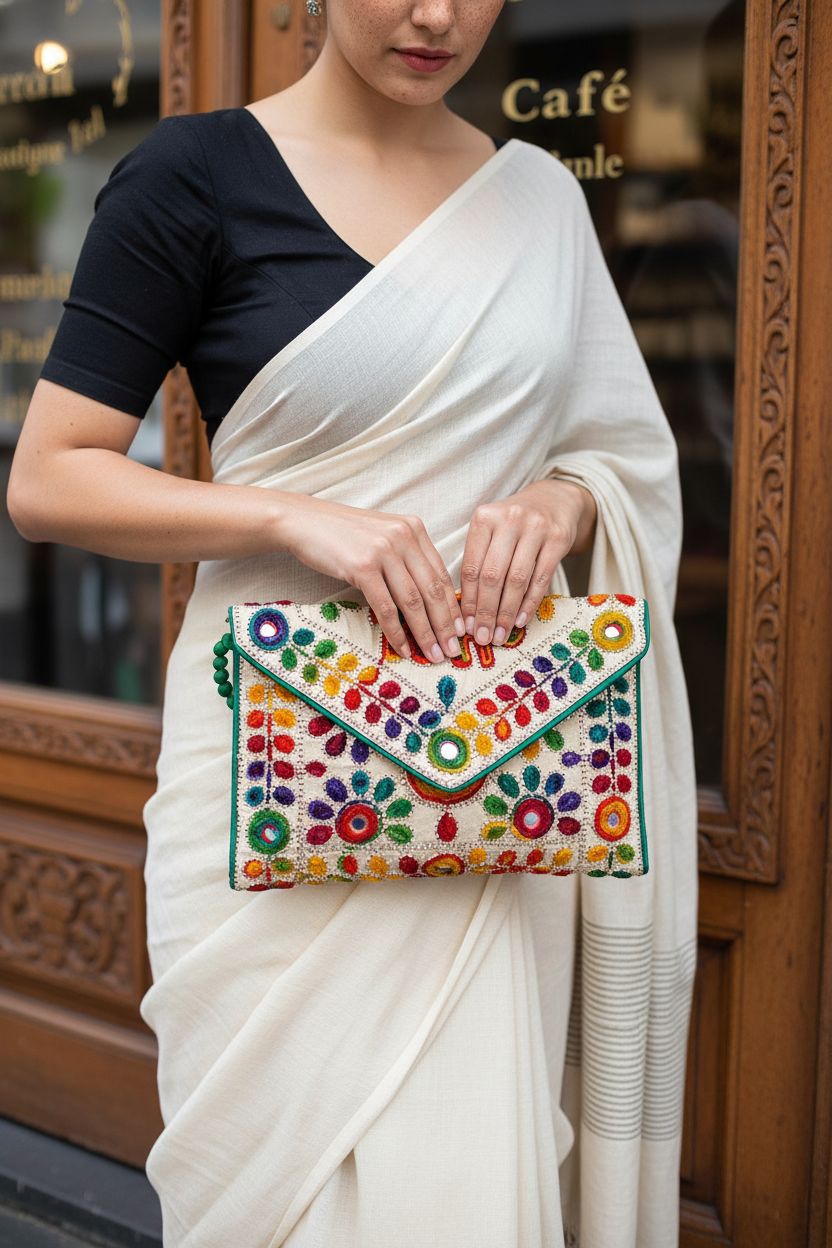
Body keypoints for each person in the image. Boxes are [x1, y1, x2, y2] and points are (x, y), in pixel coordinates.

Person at [7, 1, 698, 1244]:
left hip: (494, 777)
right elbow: (49, 479)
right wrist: (294, 518)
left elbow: (618, 450)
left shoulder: (539, 200)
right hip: (274, 777)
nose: (437, 16)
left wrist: (561, 500)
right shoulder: (192, 175)